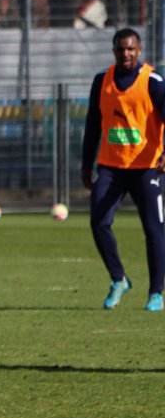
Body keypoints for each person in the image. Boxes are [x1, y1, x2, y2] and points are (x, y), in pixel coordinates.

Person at [80, 28, 165, 311]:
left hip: (146, 168)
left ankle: (156, 293)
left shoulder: (153, 81)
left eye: (130, 49)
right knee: (99, 221)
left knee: (154, 230)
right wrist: (85, 164)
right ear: (114, 51)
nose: (125, 54)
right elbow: (93, 124)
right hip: (110, 167)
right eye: (120, 49)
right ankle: (119, 279)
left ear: (139, 50)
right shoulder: (101, 81)